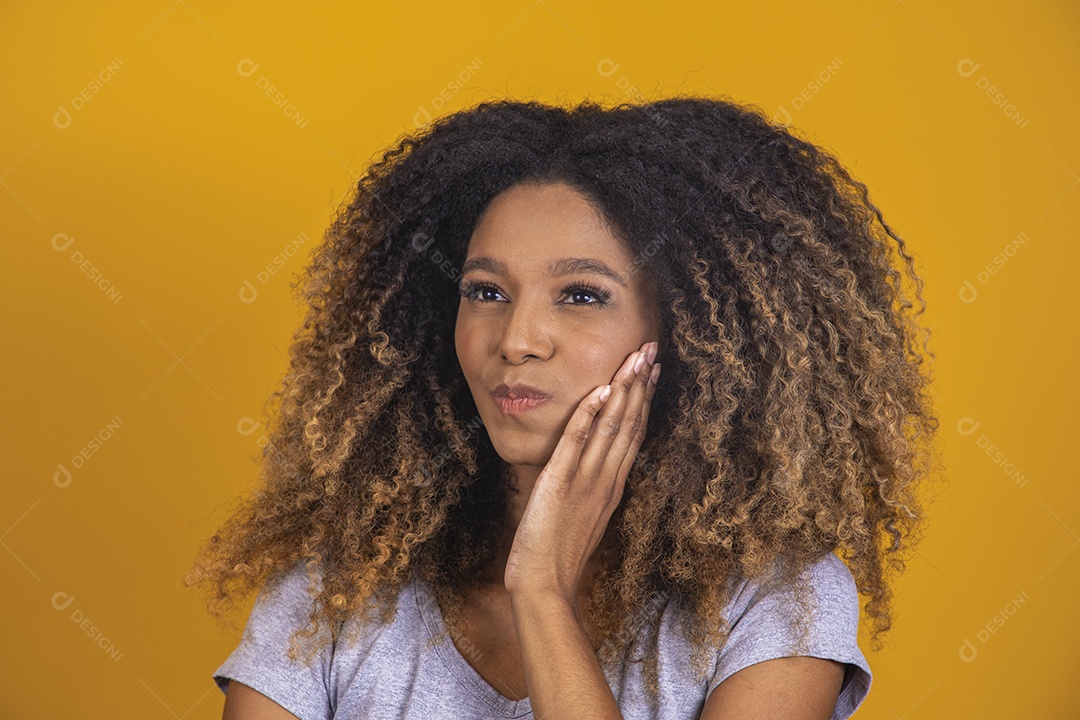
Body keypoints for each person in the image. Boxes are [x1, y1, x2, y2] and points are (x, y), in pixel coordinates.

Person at [184, 95, 939, 720]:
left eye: (581, 295)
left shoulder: (781, 603)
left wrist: (541, 591)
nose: (515, 339)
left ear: (695, 336)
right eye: (485, 291)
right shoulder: (331, 597)